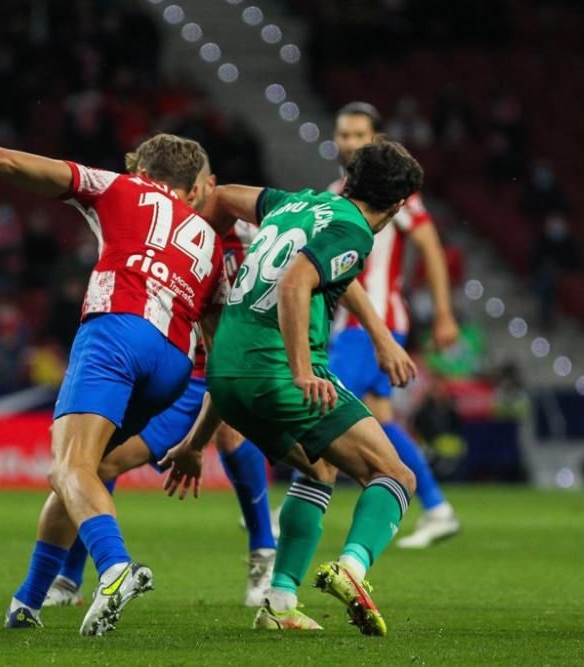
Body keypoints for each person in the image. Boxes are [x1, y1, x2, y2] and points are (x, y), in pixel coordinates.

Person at [0, 133, 226, 636]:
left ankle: (115, 568)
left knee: (69, 466)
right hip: (176, 366)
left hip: (118, 330)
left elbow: (1, 159)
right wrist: (200, 441)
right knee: (83, 471)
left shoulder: (117, 186)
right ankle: (27, 601)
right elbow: (223, 359)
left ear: (143, 170)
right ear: (193, 188)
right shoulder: (214, 245)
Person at [164, 140, 422, 635]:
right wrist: (302, 370)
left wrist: (195, 445)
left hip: (225, 374)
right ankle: (351, 568)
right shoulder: (351, 230)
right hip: (280, 372)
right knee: (394, 477)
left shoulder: (296, 203)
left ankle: (279, 602)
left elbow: (218, 200)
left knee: (320, 466)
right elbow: (296, 282)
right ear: (397, 205)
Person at [42, 218, 279, 609]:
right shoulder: (164, 231)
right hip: (179, 372)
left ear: (209, 185)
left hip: (230, 365)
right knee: (99, 463)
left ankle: (263, 557)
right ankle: (69, 579)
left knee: (230, 432)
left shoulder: (252, 234)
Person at [326, 101, 462, 548]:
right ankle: (438, 507)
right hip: (351, 323)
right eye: (343, 134)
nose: (349, 142)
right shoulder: (335, 191)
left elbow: (431, 246)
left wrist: (442, 313)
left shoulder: (394, 192)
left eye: (358, 135)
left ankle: (300, 503)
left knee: (323, 407)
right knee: (380, 420)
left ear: (377, 140)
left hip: (372, 325)